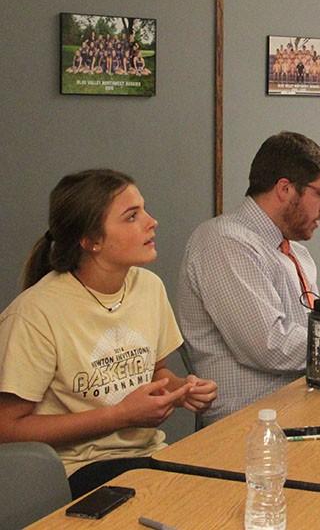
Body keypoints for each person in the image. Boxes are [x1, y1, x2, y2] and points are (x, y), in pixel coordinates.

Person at [0, 169, 218, 499]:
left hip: (149, 457)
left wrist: (182, 389)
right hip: (77, 471)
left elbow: (155, 372)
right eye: (132, 216)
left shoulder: (149, 287)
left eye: (143, 209)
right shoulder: (34, 313)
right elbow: (8, 427)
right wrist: (119, 416)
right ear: (90, 241)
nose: (151, 221)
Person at [177, 132, 320, 423]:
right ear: (285, 189)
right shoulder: (224, 242)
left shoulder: (295, 252)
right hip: (246, 426)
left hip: (298, 408)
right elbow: (269, 346)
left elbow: (305, 334)